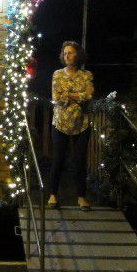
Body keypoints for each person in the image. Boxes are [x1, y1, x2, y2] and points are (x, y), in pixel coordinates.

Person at [49, 41, 94, 211]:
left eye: (71, 52)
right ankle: (53, 195)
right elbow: (57, 98)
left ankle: (82, 197)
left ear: (78, 55)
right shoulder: (57, 74)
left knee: (79, 161)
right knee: (58, 159)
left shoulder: (86, 75)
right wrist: (77, 95)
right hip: (60, 123)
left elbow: (88, 96)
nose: (67, 55)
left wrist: (67, 94)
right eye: (65, 53)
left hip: (81, 124)